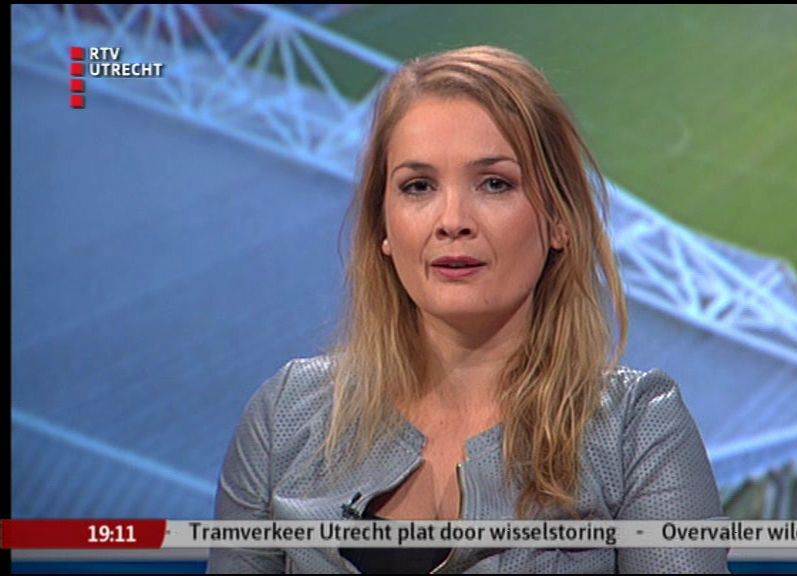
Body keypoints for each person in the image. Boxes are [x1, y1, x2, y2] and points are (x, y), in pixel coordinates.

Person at [209, 45, 729, 574]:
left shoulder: (635, 431)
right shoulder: (286, 417)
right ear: (383, 227)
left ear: (559, 221)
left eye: (494, 184)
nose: (452, 220)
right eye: (418, 187)